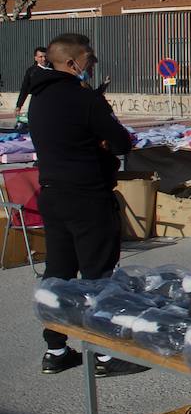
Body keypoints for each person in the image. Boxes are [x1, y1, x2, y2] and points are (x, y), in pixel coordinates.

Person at [29, 34, 140, 377]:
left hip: (53, 193)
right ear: (72, 62)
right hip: (88, 195)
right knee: (98, 276)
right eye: (89, 61)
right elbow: (122, 141)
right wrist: (105, 141)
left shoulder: (39, 98)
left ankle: (56, 348)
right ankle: (105, 355)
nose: (92, 67)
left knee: (58, 274)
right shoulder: (84, 99)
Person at [13, 46, 50, 119]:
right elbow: (24, 89)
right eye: (40, 57)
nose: (44, 59)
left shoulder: (55, 70)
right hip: (37, 102)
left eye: (45, 56)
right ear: (35, 58)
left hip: (52, 103)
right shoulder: (31, 72)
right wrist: (18, 106)